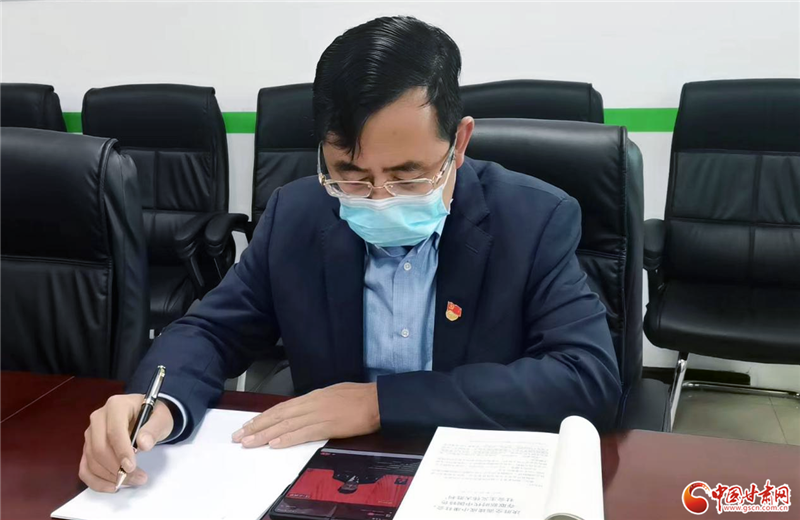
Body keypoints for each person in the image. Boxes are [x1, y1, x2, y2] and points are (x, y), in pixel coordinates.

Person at [78, 15, 621, 493]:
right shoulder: (297, 214)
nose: (379, 198)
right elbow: (212, 331)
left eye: (408, 175)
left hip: (475, 474)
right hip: (334, 475)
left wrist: (379, 403)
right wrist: (156, 402)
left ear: (459, 143)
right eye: (351, 175)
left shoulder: (532, 219)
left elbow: (587, 378)